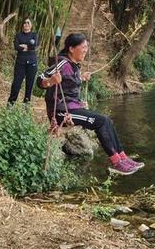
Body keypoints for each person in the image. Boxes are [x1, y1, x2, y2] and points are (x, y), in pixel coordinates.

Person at [37, 33, 144, 176]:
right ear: (71, 48)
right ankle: (116, 162)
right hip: (62, 112)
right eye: (83, 47)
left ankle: (123, 158)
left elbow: (68, 82)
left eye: (87, 47)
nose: (86, 50)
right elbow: (40, 79)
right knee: (101, 122)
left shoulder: (75, 66)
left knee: (107, 121)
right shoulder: (62, 63)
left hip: (74, 108)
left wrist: (81, 77)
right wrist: (51, 81)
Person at [8, 17, 39, 105]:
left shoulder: (34, 35)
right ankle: (10, 104)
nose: (26, 24)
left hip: (32, 63)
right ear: (22, 25)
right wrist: (27, 46)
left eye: (28, 23)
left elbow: (34, 46)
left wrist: (24, 46)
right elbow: (16, 46)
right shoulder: (18, 35)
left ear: (31, 25)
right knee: (16, 84)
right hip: (20, 63)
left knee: (29, 85)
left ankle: (26, 105)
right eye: (25, 22)